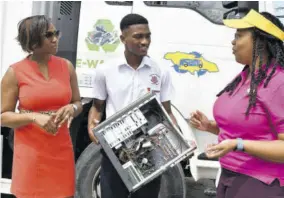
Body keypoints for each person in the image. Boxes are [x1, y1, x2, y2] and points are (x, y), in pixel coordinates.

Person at [189, 9, 284, 198]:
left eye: (239, 36)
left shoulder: (278, 82)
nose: (233, 42)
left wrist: (238, 145)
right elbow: (247, 130)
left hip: (260, 183)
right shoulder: (245, 77)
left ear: (261, 42)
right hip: (228, 176)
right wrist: (210, 126)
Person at [88, 13, 177, 198]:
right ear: (123, 38)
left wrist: (178, 141)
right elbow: (97, 107)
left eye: (148, 36)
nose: (145, 41)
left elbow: (166, 111)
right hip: (115, 149)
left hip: (150, 150)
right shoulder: (105, 70)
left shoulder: (161, 71)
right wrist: (92, 126)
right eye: (138, 36)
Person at [1, 15, 82, 198]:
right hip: (31, 152)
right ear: (33, 41)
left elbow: (77, 102)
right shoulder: (15, 72)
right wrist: (33, 117)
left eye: (56, 33)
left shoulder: (66, 67)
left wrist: (73, 108)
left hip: (61, 148)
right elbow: (3, 116)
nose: (55, 39)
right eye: (49, 35)